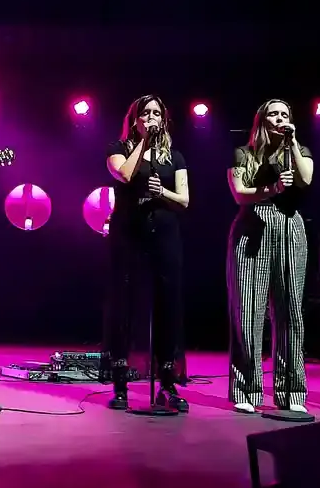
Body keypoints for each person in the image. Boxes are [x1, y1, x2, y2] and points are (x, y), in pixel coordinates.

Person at [226, 99, 313, 414]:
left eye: (286, 114)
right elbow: (239, 192)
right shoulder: (244, 153)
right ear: (262, 120)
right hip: (253, 223)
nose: (281, 118)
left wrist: (293, 142)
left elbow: (306, 179)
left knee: (291, 311)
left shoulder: (298, 150)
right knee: (248, 312)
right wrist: (271, 189)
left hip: (290, 225)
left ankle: (291, 391)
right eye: (275, 113)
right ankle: (246, 390)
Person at [104, 95, 190, 412]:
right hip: (129, 232)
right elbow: (124, 174)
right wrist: (142, 141)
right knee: (124, 304)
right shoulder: (118, 148)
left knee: (167, 304)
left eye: (157, 114)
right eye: (146, 113)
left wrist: (161, 192)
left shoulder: (175, 157)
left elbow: (184, 200)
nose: (152, 118)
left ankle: (167, 382)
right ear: (135, 119)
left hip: (165, 233)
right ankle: (121, 383)